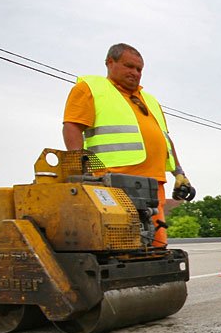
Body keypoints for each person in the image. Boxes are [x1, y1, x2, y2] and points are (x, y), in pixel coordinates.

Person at [62, 43, 193, 248]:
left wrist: (179, 173)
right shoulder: (92, 89)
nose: (135, 73)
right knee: (121, 243)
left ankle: (158, 279)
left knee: (156, 243)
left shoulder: (149, 100)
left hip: (153, 183)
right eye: (129, 66)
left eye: (139, 69)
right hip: (113, 180)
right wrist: (87, 169)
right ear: (110, 63)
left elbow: (165, 139)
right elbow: (72, 126)